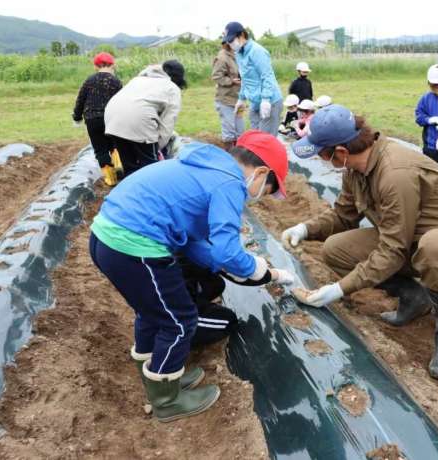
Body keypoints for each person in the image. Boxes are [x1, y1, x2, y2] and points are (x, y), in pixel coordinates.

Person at [89, 130, 295, 422]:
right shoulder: (230, 183)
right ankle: (167, 401)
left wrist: (223, 263)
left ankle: (160, 376)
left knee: (151, 312)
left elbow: (192, 241)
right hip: (136, 246)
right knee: (179, 322)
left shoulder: (204, 166)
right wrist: (259, 269)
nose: (261, 195)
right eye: (269, 187)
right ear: (261, 172)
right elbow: (226, 251)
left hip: (106, 239)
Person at [283, 105, 438, 380]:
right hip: (410, 241)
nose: (320, 159)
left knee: (435, 246)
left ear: (340, 152)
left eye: (321, 153)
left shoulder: (394, 173)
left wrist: (340, 288)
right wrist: (306, 228)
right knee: (336, 249)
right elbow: (344, 215)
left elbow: (393, 248)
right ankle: (414, 296)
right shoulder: (354, 170)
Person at [105, 60, 185, 177]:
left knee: (129, 166)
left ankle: (130, 191)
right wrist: (157, 147)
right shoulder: (172, 88)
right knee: (151, 168)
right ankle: (152, 192)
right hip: (138, 119)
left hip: (112, 119)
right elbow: (167, 124)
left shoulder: (138, 79)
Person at [223, 22, 283, 136]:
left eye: (231, 40)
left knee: (265, 140)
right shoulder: (239, 54)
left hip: (270, 101)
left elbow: (267, 76)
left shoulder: (257, 51)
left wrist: (266, 99)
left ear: (241, 35)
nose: (230, 44)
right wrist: (241, 98)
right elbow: (245, 78)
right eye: (228, 41)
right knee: (254, 137)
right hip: (255, 102)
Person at [72, 52, 123, 186]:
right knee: (115, 144)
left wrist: (77, 117)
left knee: (100, 149)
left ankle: (110, 179)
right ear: (113, 65)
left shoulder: (89, 81)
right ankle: (119, 167)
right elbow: (123, 100)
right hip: (112, 118)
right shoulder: (116, 81)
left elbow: (80, 100)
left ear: (96, 66)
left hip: (92, 119)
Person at [212, 40, 244, 151]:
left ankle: (239, 158)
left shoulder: (239, 54)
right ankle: (228, 157)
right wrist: (231, 81)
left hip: (238, 98)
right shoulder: (222, 57)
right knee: (229, 134)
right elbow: (216, 76)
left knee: (240, 132)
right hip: (225, 100)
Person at [415, 65, 438, 168]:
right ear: (429, 84)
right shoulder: (425, 98)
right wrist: (429, 120)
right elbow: (419, 117)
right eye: (435, 85)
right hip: (430, 147)